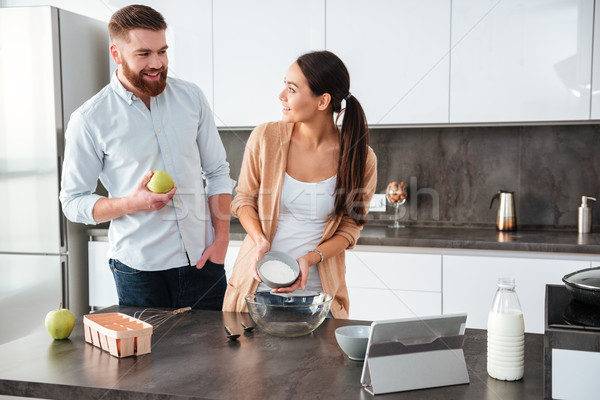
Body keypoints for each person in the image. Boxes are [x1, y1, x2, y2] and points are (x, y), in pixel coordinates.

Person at [59, 5, 234, 310]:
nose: (157, 64)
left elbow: (218, 171)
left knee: (215, 356)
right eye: (143, 54)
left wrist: (221, 240)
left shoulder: (191, 97)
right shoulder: (90, 119)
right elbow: (73, 202)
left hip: (204, 263)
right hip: (139, 272)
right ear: (117, 54)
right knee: (148, 358)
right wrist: (132, 203)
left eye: (162, 51)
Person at [223, 50, 377, 318]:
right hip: (258, 290)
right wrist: (259, 240)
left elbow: (350, 228)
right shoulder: (265, 137)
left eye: (291, 89)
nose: (281, 95)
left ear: (323, 101)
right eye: (285, 85)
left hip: (320, 298)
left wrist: (310, 258)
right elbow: (244, 199)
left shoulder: (360, 157)